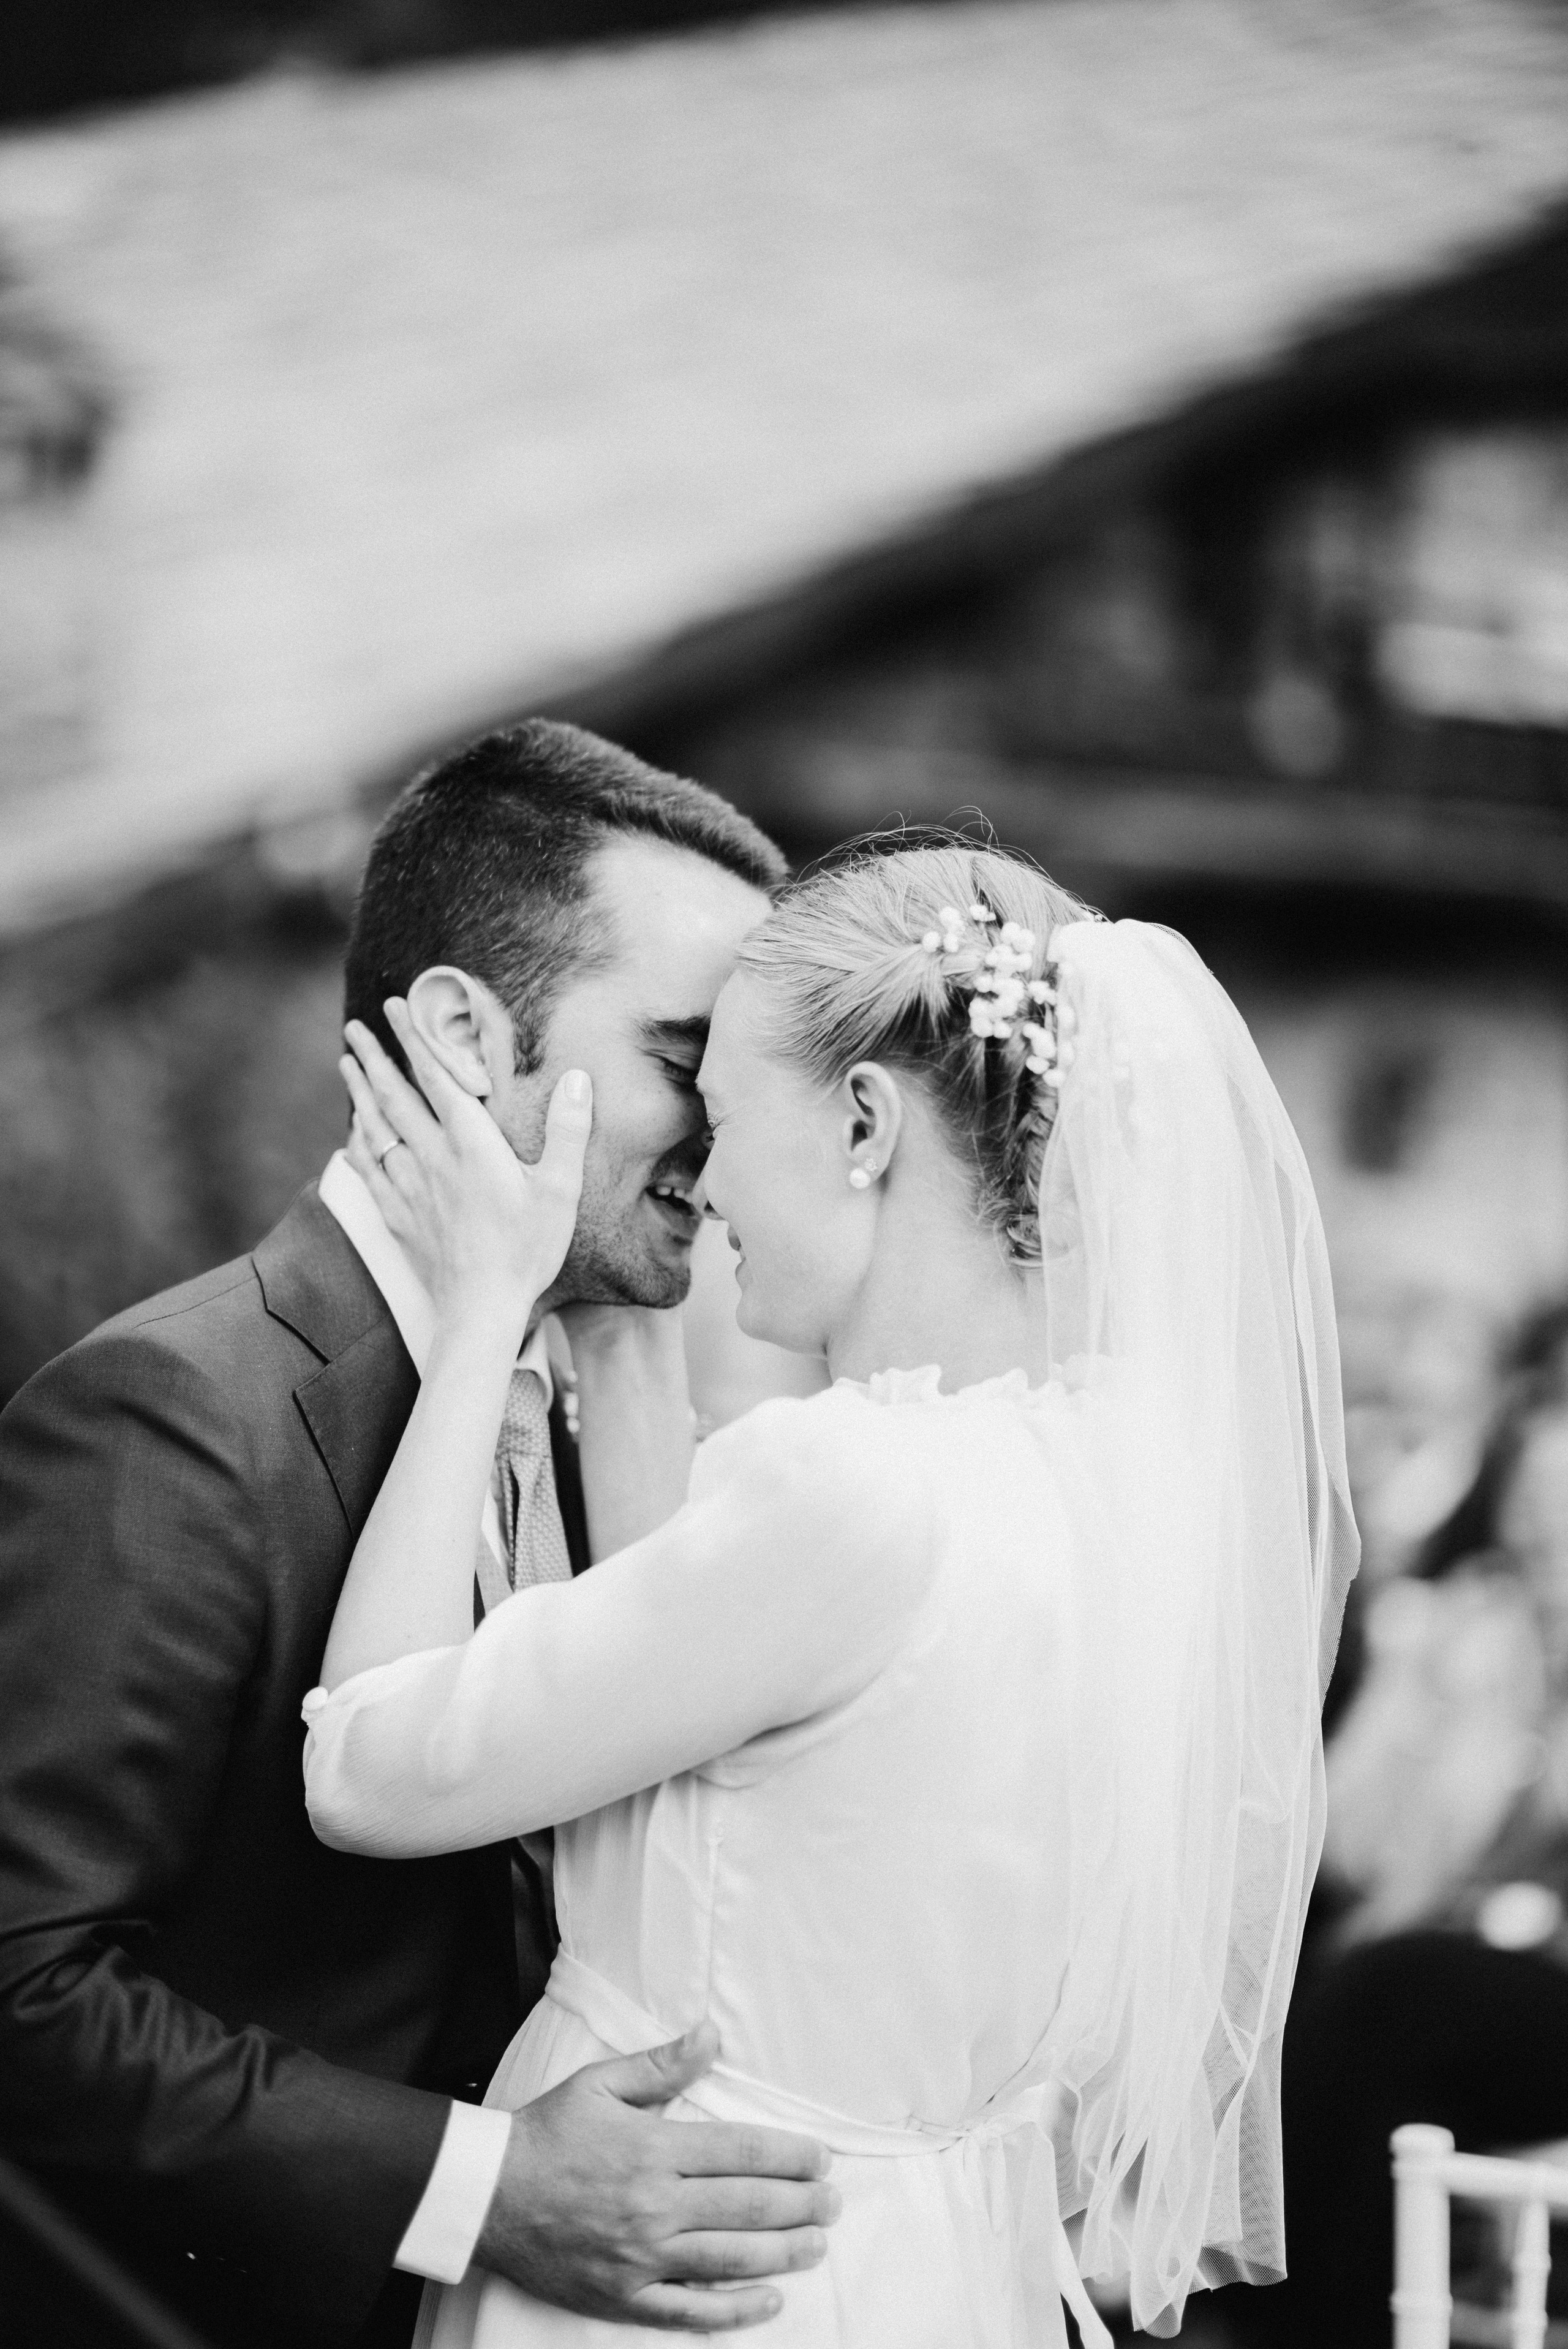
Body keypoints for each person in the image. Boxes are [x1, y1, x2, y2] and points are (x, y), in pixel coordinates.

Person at [302, 838, 1359, 2349]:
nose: (702, 1173)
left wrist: (482, 1316)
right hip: (924, 2275)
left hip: (693, 2285)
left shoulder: (852, 1490)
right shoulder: (1129, 1476)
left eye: (724, 1114)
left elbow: (367, 1765)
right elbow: (716, 1681)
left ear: (864, 1122)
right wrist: (620, 1335)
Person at [0, 721, 844, 2349]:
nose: (732, 1137)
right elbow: (20, 1989)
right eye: (686, 1057)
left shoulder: (601, 1399)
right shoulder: (177, 1417)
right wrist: (482, 2180)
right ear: (462, 1037)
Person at [1240, 1309, 1568, 2349]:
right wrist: (1429, 1706)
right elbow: (1356, 1856)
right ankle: (1274, 2302)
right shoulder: (1479, 1637)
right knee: (1329, 1972)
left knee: (1394, 1987)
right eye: (1531, 1522)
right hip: (1450, 1962)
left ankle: (1299, 2321)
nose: (1543, 1555)